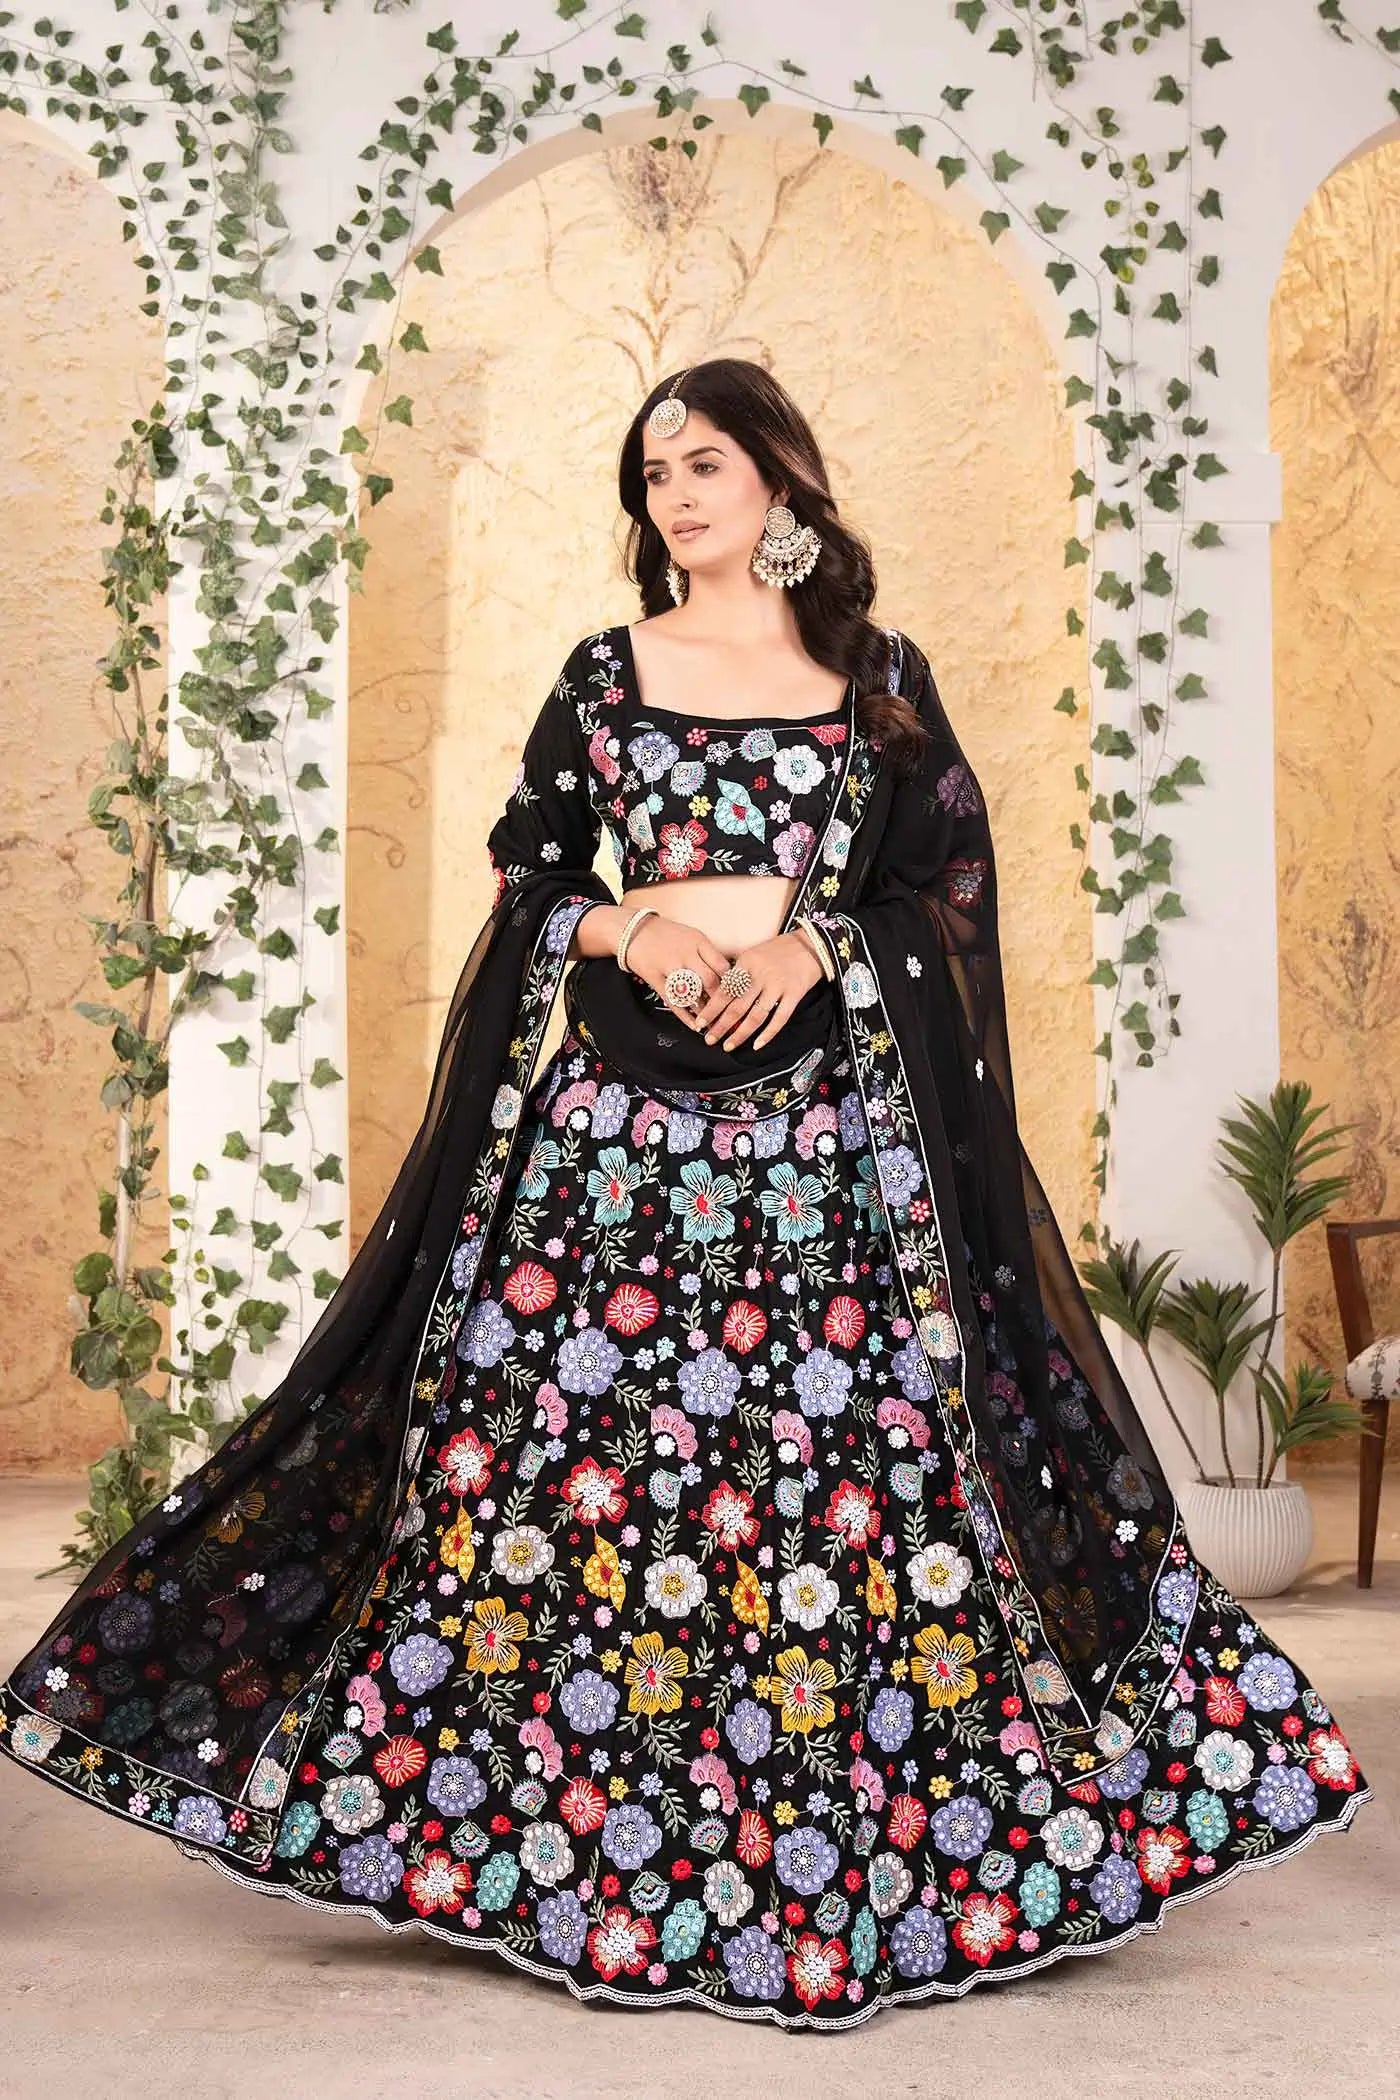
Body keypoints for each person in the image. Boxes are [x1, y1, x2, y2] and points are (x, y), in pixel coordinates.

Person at [0, 359, 1371, 2030]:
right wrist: (631, 925)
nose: (675, 496)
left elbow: (947, 883)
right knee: (578, 1474)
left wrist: (819, 947)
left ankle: (857, 1843)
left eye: (705, 463)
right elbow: (529, 864)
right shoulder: (606, 672)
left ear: (782, 477)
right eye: (654, 474)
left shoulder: (879, 684)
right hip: (615, 1149)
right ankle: (552, 1838)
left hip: (824, 1151)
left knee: (832, 1486)